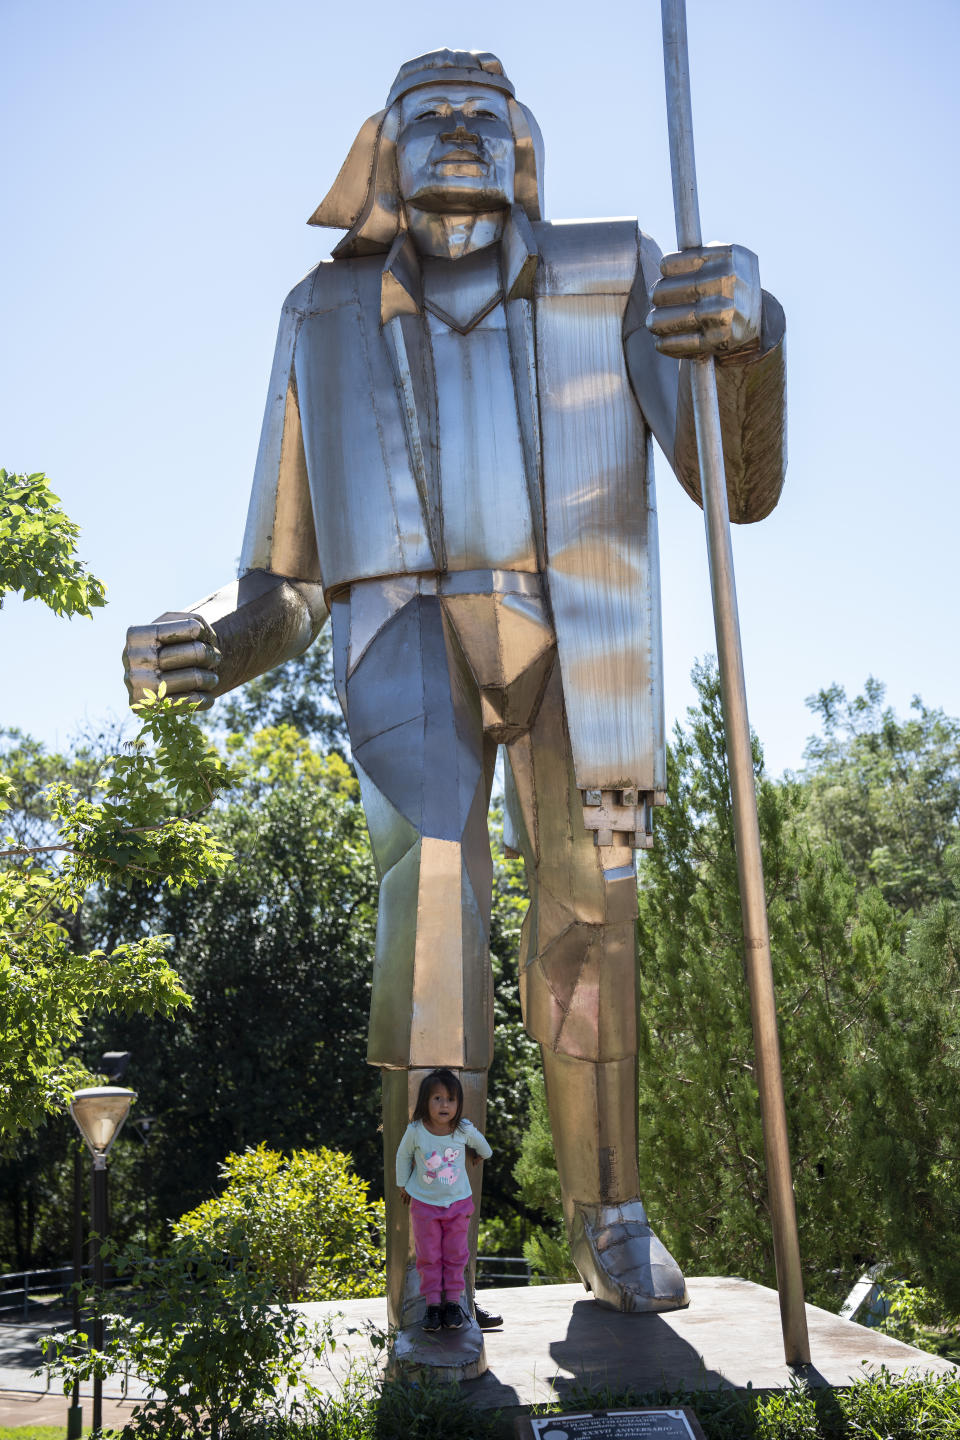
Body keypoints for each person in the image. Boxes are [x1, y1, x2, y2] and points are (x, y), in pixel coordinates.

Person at [122, 47, 786, 1353]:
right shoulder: (322, 312)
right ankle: (430, 1264)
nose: (465, 131)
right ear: (383, 153)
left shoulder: (613, 277)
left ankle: (611, 1211)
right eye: (434, 115)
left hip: (580, 629)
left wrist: (744, 343)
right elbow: (282, 575)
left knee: (592, 929)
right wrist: (206, 636)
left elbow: (733, 485)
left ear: (527, 145)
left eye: (489, 112)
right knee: (433, 898)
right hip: (402, 631)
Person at [396, 1068, 493, 1332]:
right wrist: (403, 1184)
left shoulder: (462, 1129)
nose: (444, 1105)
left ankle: (452, 1304)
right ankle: (432, 1306)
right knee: (429, 1256)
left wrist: (476, 1155)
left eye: (450, 1099)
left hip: (457, 1205)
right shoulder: (416, 1130)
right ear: (425, 1102)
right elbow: (403, 1156)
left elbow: (486, 1148)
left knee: (455, 1254)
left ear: (458, 1104)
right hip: (424, 1206)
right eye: (437, 1098)